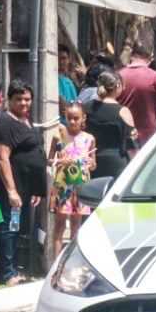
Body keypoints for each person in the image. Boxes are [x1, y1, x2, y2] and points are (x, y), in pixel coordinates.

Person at [0, 80, 47, 285]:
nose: (24, 103)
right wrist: (11, 191)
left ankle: (14, 269)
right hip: (14, 187)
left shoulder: (24, 119)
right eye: (19, 99)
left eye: (27, 99)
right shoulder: (5, 122)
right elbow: (3, 158)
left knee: (16, 227)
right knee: (10, 227)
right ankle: (7, 273)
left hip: (26, 187)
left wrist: (36, 188)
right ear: (10, 100)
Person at [47, 102, 96, 256]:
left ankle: (72, 259)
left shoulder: (89, 139)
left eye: (76, 118)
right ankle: (56, 261)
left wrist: (90, 163)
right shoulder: (58, 137)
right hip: (63, 186)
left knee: (76, 225)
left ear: (83, 118)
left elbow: (93, 165)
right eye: (69, 118)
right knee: (60, 224)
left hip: (80, 185)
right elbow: (49, 160)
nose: (73, 122)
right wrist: (61, 161)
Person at [83, 70, 140, 183]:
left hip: (90, 163)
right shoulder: (122, 111)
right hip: (116, 164)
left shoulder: (85, 108)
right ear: (117, 87)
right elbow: (132, 145)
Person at [118, 40, 156, 145]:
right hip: (148, 142)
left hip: (121, 137)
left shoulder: (118, 76)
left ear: (131, 54)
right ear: (151, 56)